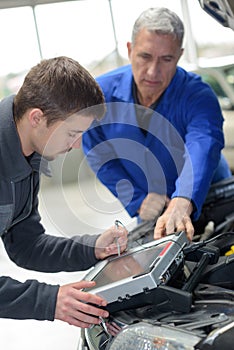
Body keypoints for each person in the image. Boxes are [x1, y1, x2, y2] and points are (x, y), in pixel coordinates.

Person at [82, 7, 232, 241]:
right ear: (130, 50)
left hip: (211, 195)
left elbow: (203, 145)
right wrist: (136, 200)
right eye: (145, 56)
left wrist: (184, 198)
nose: (153, 71)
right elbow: (98, 154)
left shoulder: (197, 95)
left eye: (166, 59)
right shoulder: (99, 96)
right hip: (151, 207)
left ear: (179, 56)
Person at [0, 56, 128, 329]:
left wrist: (92, 248)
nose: (78, 145)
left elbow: (26, 245)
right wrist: (49, 300)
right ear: (37, 117)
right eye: (72, 133)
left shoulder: (28, 155)